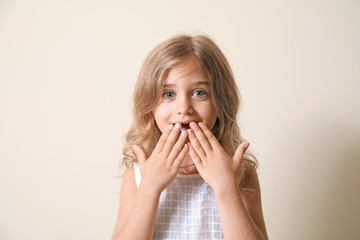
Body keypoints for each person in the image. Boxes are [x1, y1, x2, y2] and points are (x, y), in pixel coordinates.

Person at [111, 34, 268, 240]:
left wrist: (226, 187)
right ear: (149, 106)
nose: (184, 107)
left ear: (221, 103)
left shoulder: (239, 171)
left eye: (199, 93)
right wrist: (150, 187)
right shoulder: (139, 175)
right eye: (168, 94)